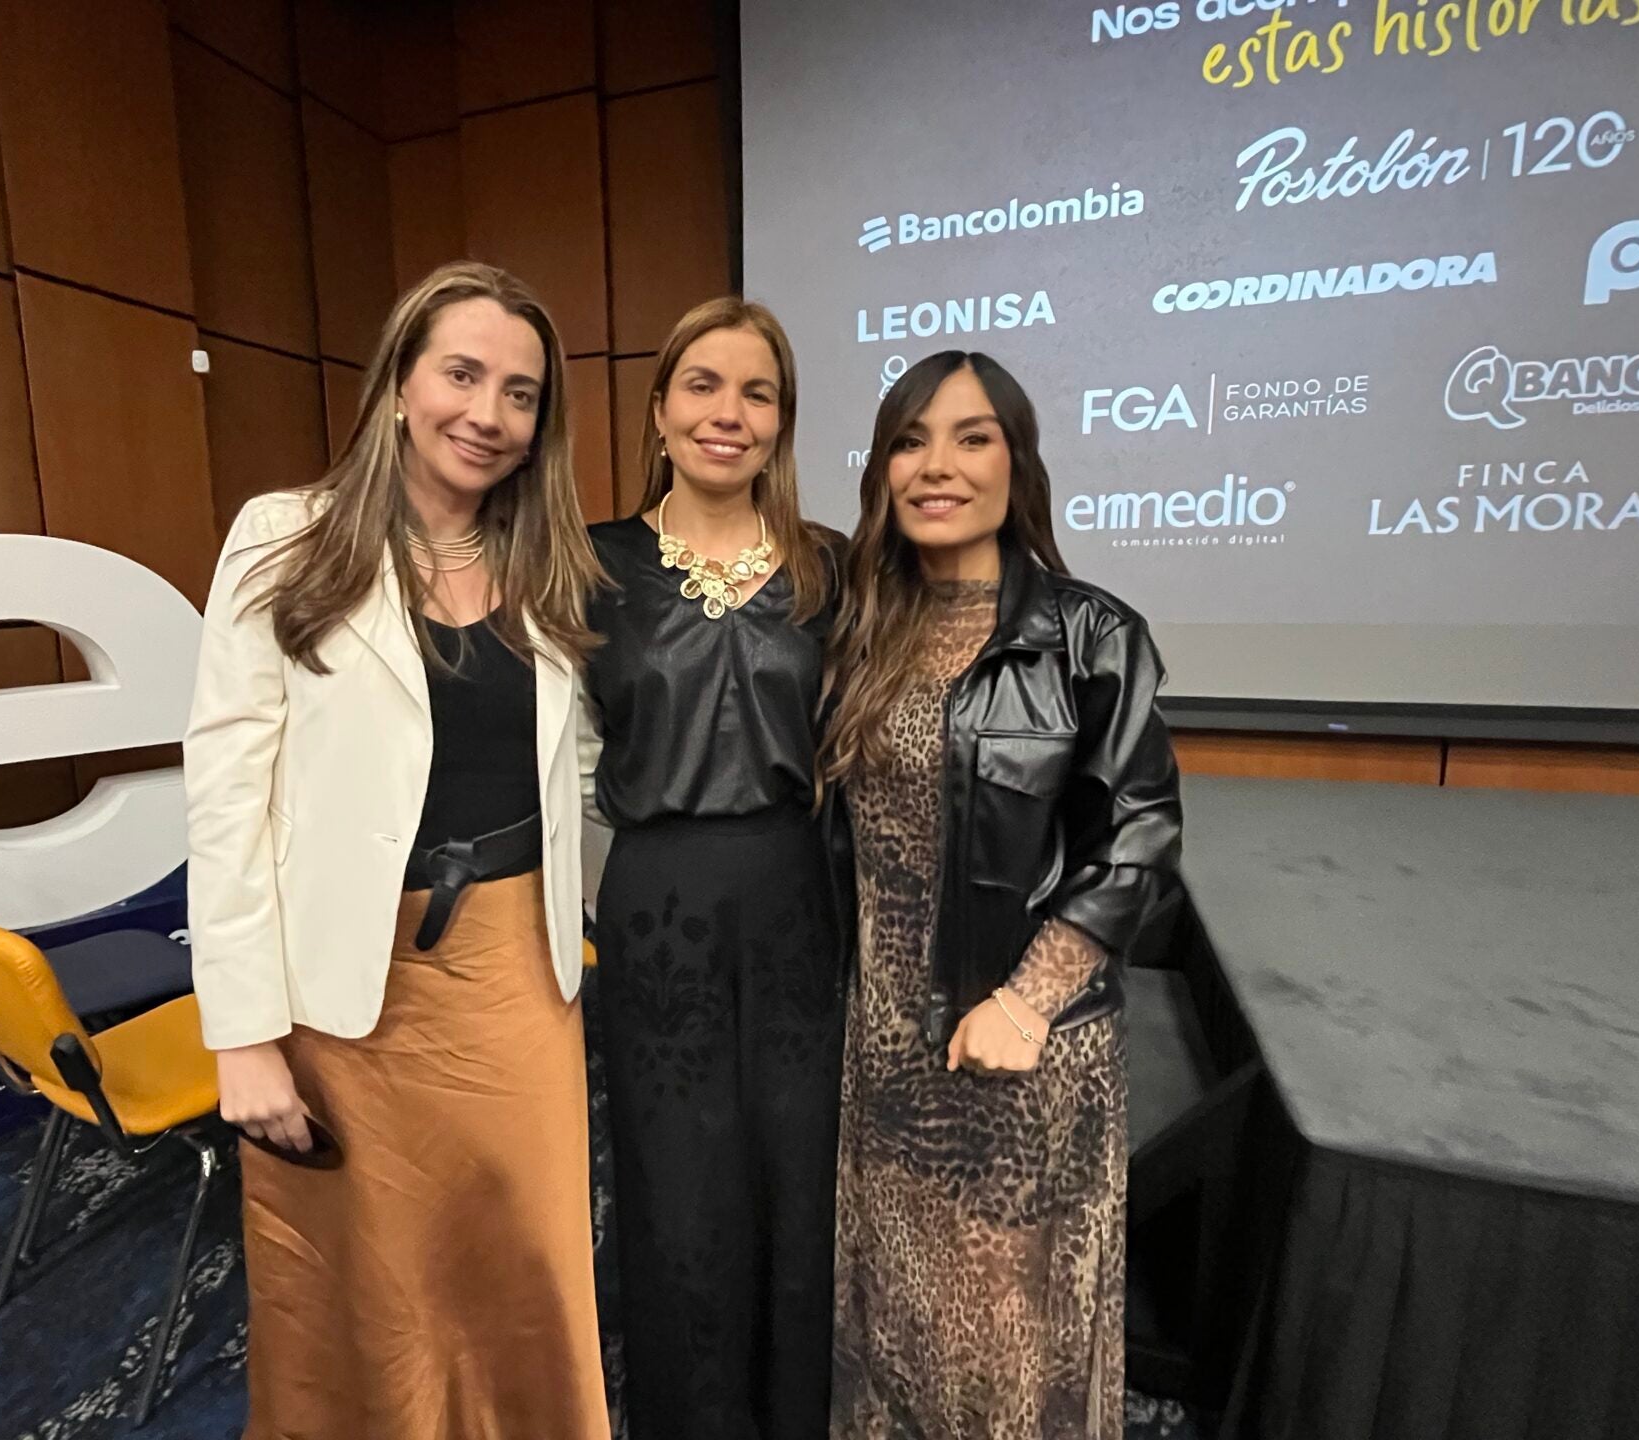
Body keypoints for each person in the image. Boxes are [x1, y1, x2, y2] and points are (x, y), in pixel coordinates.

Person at [184, 261, 611, 1440]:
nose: (488, 413)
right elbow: (225, 799)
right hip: (340, 991)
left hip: (516, 980)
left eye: (521, 394)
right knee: (364, 1297)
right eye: (462, 374)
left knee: (525, 1275)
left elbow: (572, 775)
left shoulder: (548, 567)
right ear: (399, 384)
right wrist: (244, 1037)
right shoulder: (287, 539)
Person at [819, 351, 1182, 1439]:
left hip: (1024, 1050)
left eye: (972, 437)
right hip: (879, 1046)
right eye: (910, 439)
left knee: (1004, 1355)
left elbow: (1139, 837)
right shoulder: (858, 630)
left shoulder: (1088, 632)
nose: (938, 466)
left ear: (1015, 462)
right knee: (887, 1338)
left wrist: (1025, 1003)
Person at [581, 298, 846, 1440]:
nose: (727, 414)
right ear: (658, 407)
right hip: (656, 910)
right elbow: (569, 755)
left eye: (757, 393)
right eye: (703, 385)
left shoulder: (835, 570)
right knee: (677, 1187)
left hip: (798, 899)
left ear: (782, 423)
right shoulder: (589, 563)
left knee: (798, 1184)